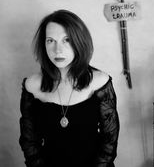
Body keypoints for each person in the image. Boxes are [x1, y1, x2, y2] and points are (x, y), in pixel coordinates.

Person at [19, 9, 120, 167]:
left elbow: (109, 141)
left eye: (66, 40)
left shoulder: (100, 82)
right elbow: (29, 142)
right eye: (50, 41)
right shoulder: (32, 86)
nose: (57, 49)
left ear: (79, 41)